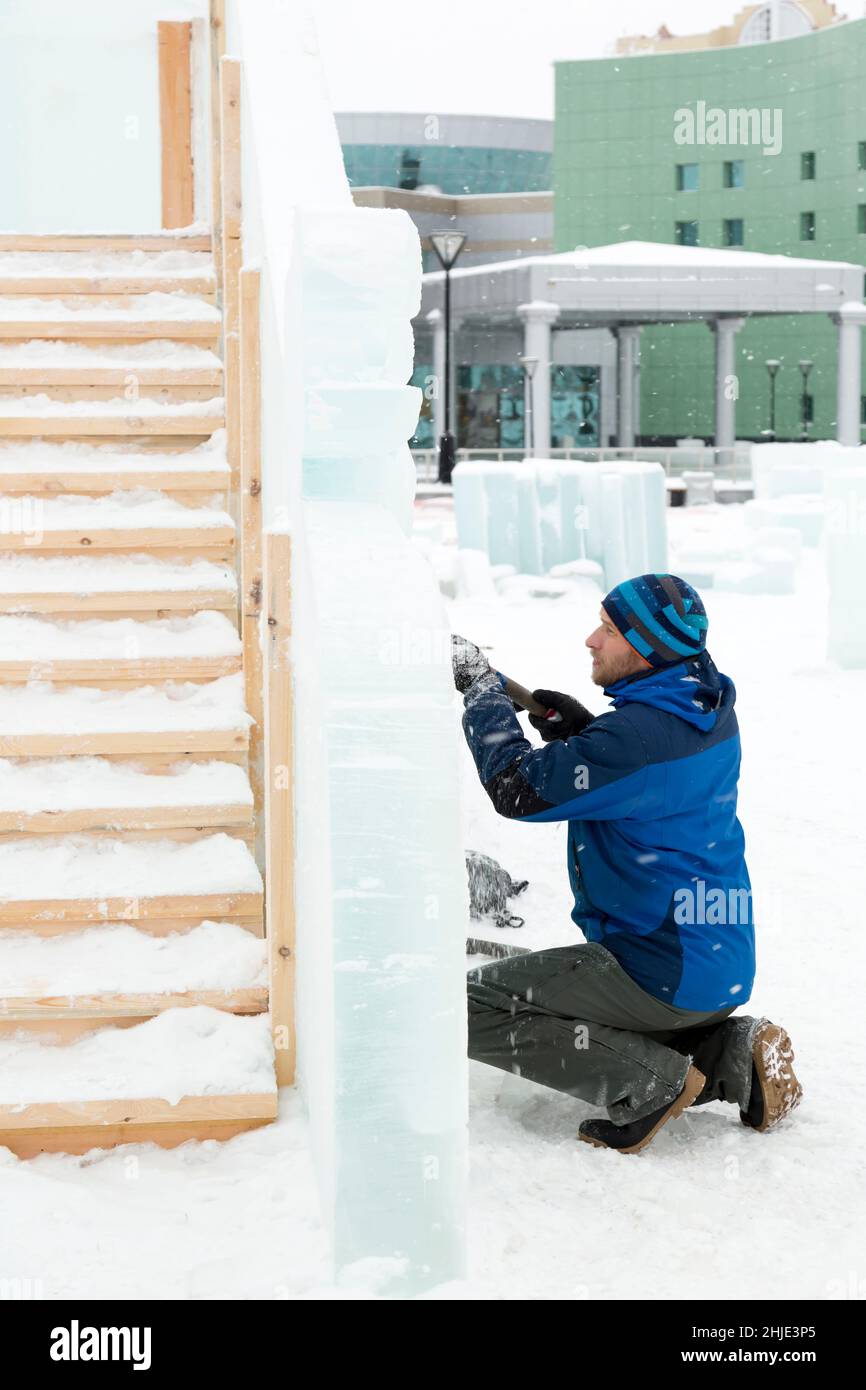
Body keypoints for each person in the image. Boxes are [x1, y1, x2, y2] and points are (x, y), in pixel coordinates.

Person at [452, 573, 802, 1154]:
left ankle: (645, 1083)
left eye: (610, 630)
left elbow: (518, 790)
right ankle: (728, 1054)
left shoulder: (633, 740)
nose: (592, 639)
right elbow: (649, 776)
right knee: (586, 998)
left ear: (648, 648)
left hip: (656, 968)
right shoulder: (705, 705)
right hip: (717, 963)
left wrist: (484, 697)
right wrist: (583, 733)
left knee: (466, 1005)